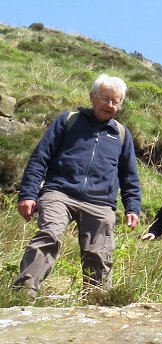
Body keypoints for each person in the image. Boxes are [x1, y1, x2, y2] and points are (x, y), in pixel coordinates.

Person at [11, 73, 142, 297]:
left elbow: (129, 175)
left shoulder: (121, 134)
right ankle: (24, 293)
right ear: (92, 97)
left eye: (115, 101)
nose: (109, 105)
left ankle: (96, 302)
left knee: (99, 253)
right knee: (49, 235)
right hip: (59, 192)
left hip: (100, 202)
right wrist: (28, 194)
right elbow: (40, 157)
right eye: (105, 98)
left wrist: (133, 207)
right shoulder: (68, 121)